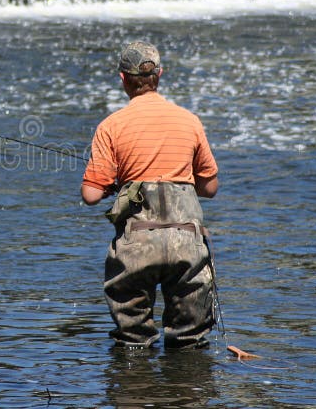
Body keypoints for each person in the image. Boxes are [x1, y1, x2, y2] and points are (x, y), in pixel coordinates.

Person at [81, 40, 219, 349]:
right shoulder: (190, 121)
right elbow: (210, 188)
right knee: (189, 343)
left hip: (136, 247)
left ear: (122, 79)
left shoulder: (111, 126)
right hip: (187, 245)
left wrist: (116, 185)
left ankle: (135, 391)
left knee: (133, 343)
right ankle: (187, 392)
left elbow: (90, 195)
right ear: (159, 74)